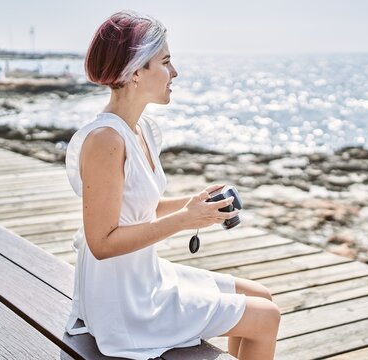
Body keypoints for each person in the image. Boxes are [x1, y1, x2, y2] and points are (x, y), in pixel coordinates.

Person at [64, 10, 280, 360]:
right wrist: (184, 220)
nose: (174, 72)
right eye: (165, 62)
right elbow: (101, 243)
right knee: (266, 317)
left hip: (143, 278)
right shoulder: (105, 141)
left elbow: (137, 206)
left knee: (262, 296)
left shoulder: (141, 129)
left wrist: (194, 205)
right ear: (136, 72)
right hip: (124, 302)